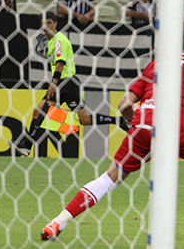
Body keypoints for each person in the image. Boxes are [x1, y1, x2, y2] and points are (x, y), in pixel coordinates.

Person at [40, 19, 184, 243]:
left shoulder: (157, 64)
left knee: (110, 178)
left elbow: (125, 103)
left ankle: (57, 221)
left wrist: (133, 122)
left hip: (144, 128)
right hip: (181, 130)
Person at [9, 12, 127, 157]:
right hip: (64, 84)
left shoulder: (59, 40)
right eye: (44, 23)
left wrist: (53, 83)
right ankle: (118, 120)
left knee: (46, 112)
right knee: (79, 118)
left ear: (55, 24)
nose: (47, 26)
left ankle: (27, 145)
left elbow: (60, 64)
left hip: (66, 83)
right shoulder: (51, 41)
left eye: (50, 22)